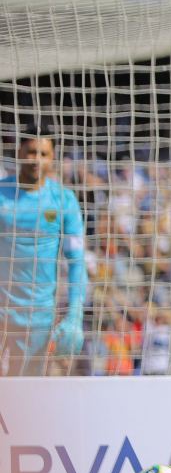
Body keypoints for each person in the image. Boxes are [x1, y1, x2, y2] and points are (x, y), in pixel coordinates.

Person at [0, 124, 88, 376]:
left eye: (43, 153)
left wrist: (75, 314)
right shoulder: (2, 193)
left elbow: (76, 260)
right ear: (18, 152)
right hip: (1, 307)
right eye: (31, 151)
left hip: (37, 315)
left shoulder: (63, 200)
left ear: (52, 158)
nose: (36, 159)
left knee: (25, 387)